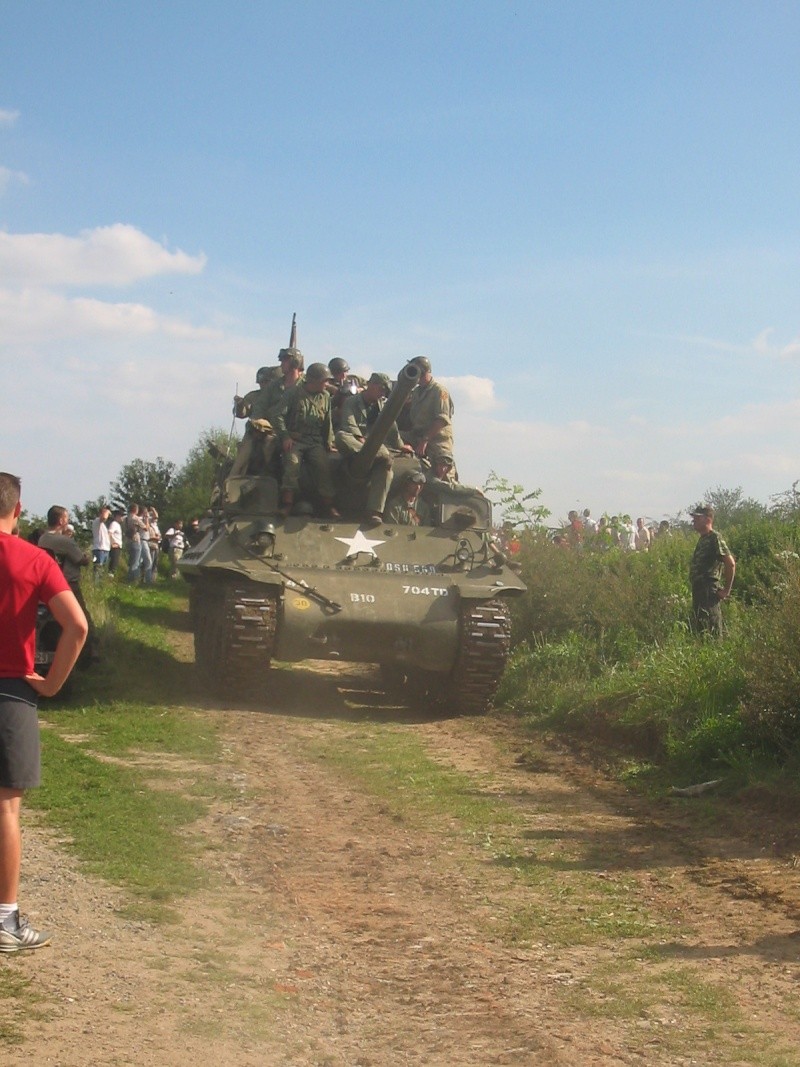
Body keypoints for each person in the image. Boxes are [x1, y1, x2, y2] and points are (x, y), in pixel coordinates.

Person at [0, 472, 88, 952]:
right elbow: (76, 625)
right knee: (5, 806)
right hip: (11, 692)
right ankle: (4, 920)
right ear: (18, 510)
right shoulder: (35, 560)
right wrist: (51, 684)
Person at [335, 372, 413, 524]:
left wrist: (400, 445)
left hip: (374, 448)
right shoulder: (352, 402)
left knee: (386, 470)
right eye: (381, 389)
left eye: (385, 392)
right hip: (354, 445)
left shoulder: (383, 408)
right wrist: (361, 441)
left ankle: (374, 511)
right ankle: (378, 454)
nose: (382, 393)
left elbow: (392, 428)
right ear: (371, 385)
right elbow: (348, 424)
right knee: (341, 436)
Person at [274, 362, 339, 518]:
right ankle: (287, 504)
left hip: (315, 440)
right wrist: (285, 436)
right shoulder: (293, 393)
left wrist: (329, 442)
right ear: (314, 380)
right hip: (296, 439)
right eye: (325, 380)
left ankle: (329, 505)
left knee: (323, 467)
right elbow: (278, 415)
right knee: (292, 463)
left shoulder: (325, 397)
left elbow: (327, 422)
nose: (327, 384)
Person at [37, 506, 98, 661]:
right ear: (61, 520)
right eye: (67, 517)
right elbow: (80, 560)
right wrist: (87, 558)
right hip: (68, 584)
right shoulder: (65, 541)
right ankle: (87, 654)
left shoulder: (42, 539)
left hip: (46, 585)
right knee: (83, 619)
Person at [689, 505, 736, 637]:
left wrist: (726, 590)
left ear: (707, 519)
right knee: (701, 628)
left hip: (708, 590)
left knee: (712, 628)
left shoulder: (715, 537)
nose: (694, 521)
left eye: (697, 518)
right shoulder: (703, 538)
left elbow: (730, 563)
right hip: (699, 589)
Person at [403, 356, 455, 467]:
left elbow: (441, 420)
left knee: (441, 470)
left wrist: (424, 441)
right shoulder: (416, 392)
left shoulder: (440, 391)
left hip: (437, 440)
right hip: (417, 435)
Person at [91, 505, 111, 578]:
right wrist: (107, 512)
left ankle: (100, 586)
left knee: (102, 570)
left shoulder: (103, 525)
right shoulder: (97, 521)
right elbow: (104, 517)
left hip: (105, 549)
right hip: (99, 549)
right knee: (98, 568)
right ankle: (95, 586)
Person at [107, 509, 123, 576]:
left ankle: (111, 576)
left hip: (118, 546)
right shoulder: (114, 524)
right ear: (117, 516)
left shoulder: (118, 525)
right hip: (114, 547)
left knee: (115, 563)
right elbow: (109, 533)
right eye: (121, 516)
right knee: (113, 564)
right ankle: (110, 577)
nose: (122, 518)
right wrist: (111, 543)